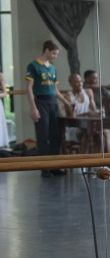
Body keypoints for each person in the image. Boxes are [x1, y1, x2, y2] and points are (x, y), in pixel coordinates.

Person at [26, 40, 64, 176]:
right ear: (46, 50)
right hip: (41, 102)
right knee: (43, 136)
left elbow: (55, 89)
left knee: (56, 135)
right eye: (54, 53)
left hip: (53, 103)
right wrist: (33, 108)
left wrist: (64, 101)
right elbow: (29, 88)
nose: (55, 56)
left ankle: (54, 166)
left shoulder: (52, 68)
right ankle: (45, 168)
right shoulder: (33, 65)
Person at [56, 72, 97, 153]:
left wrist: (98, 112)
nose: (80, 84)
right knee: (86, 133)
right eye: (77, 82)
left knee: (104, 133)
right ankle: (82, 163)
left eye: (81, 81)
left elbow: (94, 110)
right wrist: (86, 114)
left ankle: (104, 162)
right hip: (75, 128)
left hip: (88, 125)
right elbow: (71, 118)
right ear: (71, 84)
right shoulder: (68, 97)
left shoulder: (88, 92)